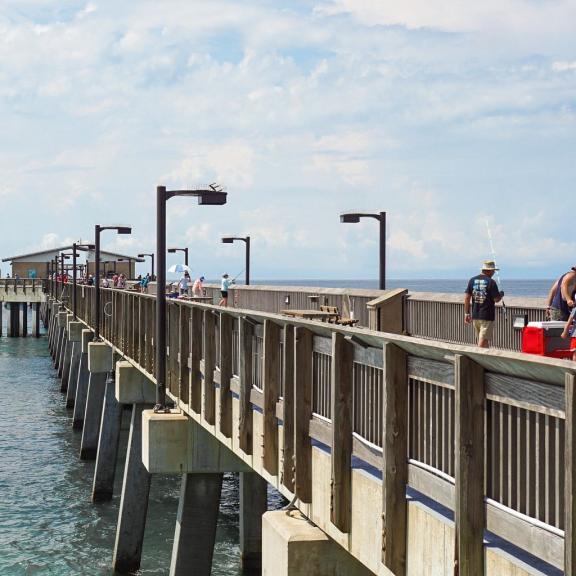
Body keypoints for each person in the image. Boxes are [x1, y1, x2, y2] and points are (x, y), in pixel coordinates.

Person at [464, 260, 504, 348]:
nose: (493, 272)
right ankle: (477, 360)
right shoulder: (491, 282)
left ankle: (485, 360)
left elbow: (467, 297)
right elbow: (496, 299)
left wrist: (467, 313)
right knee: (482, 342)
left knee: (482, 341)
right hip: (487, 316)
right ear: (489, 270)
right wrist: (501, 294)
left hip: (475, 315)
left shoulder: (472, 280)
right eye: (493, 270)